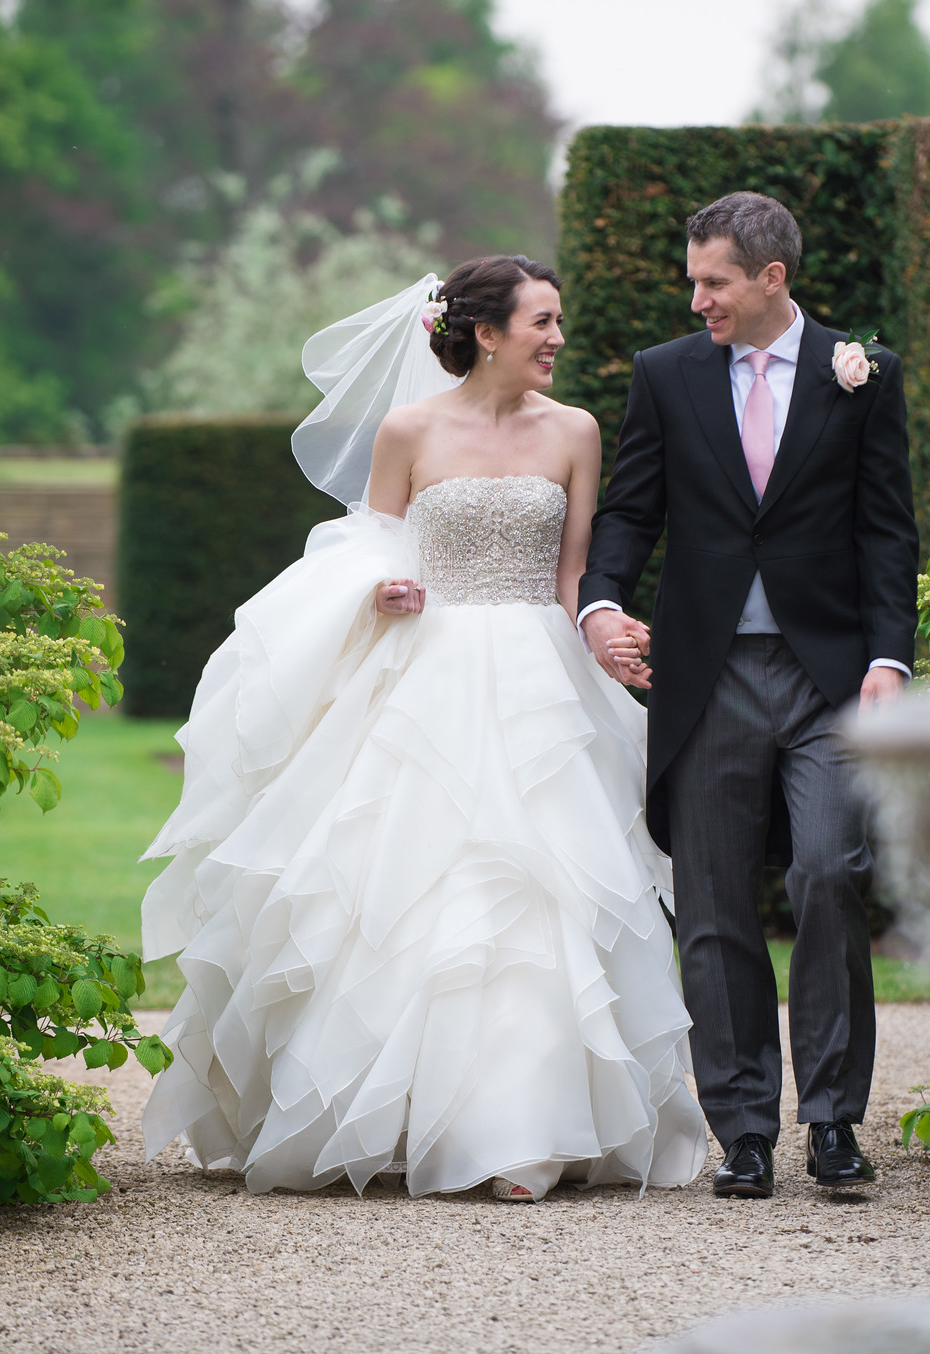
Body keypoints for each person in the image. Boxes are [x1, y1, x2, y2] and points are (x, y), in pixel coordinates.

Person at [139, 256, 709, 1202]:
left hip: (538, 673)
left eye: (558, 321)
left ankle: (524, 1130)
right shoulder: (407, 430)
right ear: (486, 333)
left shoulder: (575, 430)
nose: (559, 338)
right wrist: (382, 590)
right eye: (544, 322)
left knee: (542, 890)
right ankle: (396, 1120)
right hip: (425, 671)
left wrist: (600, 636)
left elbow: (575, 574)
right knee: (400, 887)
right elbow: (369, 545)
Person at [578, 192, 918, 1198]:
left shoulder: (863, 375)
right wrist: (600, 604)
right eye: (694, 280)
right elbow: (631, 511)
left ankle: (832, 1120)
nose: (699, 300)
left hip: (829, 678)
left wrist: (890, 660)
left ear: (772, 277)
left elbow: (887, 531)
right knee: (716, 905)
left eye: (714, 281)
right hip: (707, 674)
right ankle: (743, 1129)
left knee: (827, 873)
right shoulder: (668, 376)